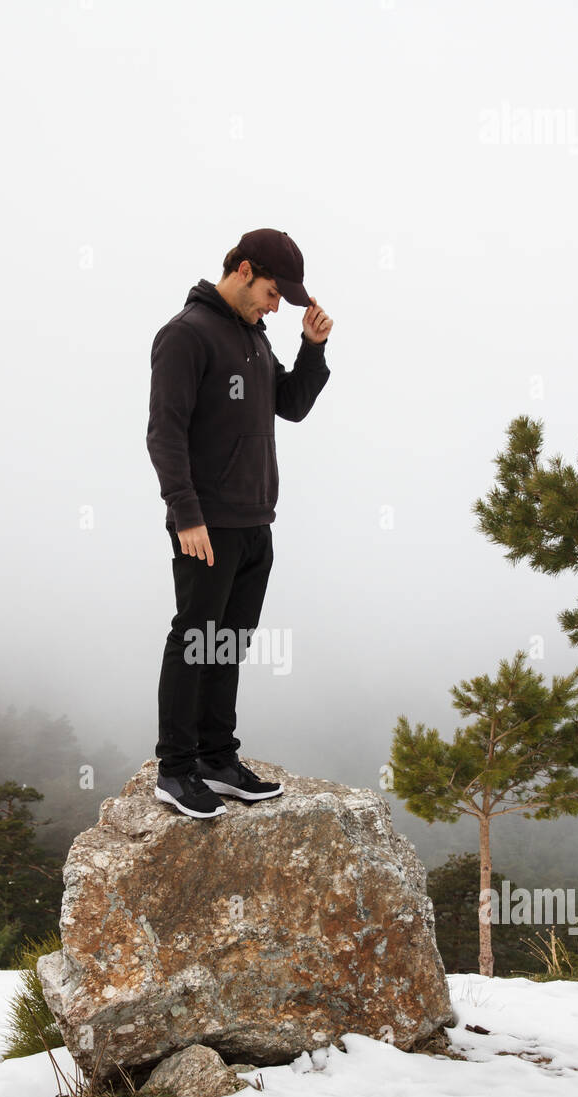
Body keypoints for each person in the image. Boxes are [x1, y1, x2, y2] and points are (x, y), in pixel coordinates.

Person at [147, 228, 333, 818]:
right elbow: (165, 434)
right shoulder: (186, 335)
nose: (276, 306)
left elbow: (292, 405)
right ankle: (175, 770)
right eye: (274, 293)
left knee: (227, 644)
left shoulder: (253, 339)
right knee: (194, 641)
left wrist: (311, 347)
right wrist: (186, 516)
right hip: (207, 525)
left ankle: (217, 760)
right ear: (245, 270)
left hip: (255, 522)